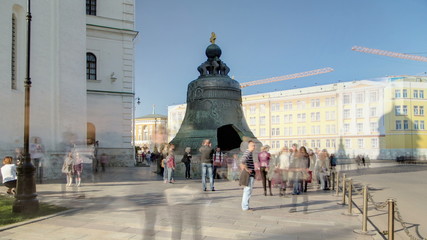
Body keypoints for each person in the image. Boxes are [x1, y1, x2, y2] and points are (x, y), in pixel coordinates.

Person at [241, 140, 256, 211]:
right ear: (249, 146)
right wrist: (247, 169)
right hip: (249, 175)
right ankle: (245, 207)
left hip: (250, 174)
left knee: (248, 190)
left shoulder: (249, 152)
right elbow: (242, 161)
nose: (254, 147)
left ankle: (246, 206)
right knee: (247, 190)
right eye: (253, 145)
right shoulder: (248, 152)